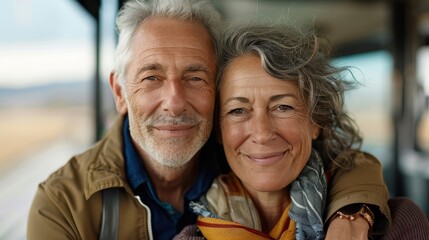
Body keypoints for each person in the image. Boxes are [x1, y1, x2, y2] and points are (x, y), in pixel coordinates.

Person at [27, 0, 390, 239]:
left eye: (195, 77)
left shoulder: (242, 155)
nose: (174, 100)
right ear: (120, 93)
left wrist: (353, 213)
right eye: (151, 77)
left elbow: (345, 161)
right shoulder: (64, 204)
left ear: (215, 94)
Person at [176, 24, 391, 240]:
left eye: (283, 107)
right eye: (238, 110)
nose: (262, 133)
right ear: (219, 131)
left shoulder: (395, 226)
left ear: (315, 121)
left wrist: (352, 215)